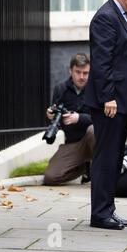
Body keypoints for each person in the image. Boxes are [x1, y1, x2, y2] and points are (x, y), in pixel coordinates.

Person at [85, 0, 127, 230]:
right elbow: (101, 63)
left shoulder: (125, 15)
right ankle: (100, 214)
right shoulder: (105, 18)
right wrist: (108, 96)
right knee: (106, 158)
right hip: (110, 103)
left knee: (115, 156)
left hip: (123, 100)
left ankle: (108, 209)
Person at [43, 53, 94, 186]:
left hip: (94, 141)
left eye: (86, 73)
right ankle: (84, 168)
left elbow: (101, 119)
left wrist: (79, 118)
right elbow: (58, 122)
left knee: (93, 130)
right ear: (70, 70)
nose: (82, 77)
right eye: (78, 72)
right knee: (50, 177)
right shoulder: (60, 89)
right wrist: (52, 116)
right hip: (73, 143)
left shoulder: (96, 90)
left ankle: (97, 169)